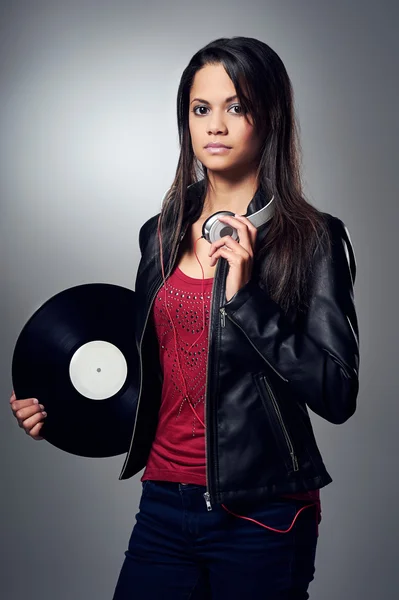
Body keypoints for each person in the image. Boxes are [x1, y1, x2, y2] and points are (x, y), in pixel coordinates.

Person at [9, 36, 359, 599]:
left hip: (263, 513)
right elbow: (159, 370)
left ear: (269, 118)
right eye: (201, 109)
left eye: (236, 106)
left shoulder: (313, 239)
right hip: (164, 505)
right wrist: (64, 410)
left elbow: (338, 393)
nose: (215, 125)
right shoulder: (162, 231)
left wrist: (247, 301)